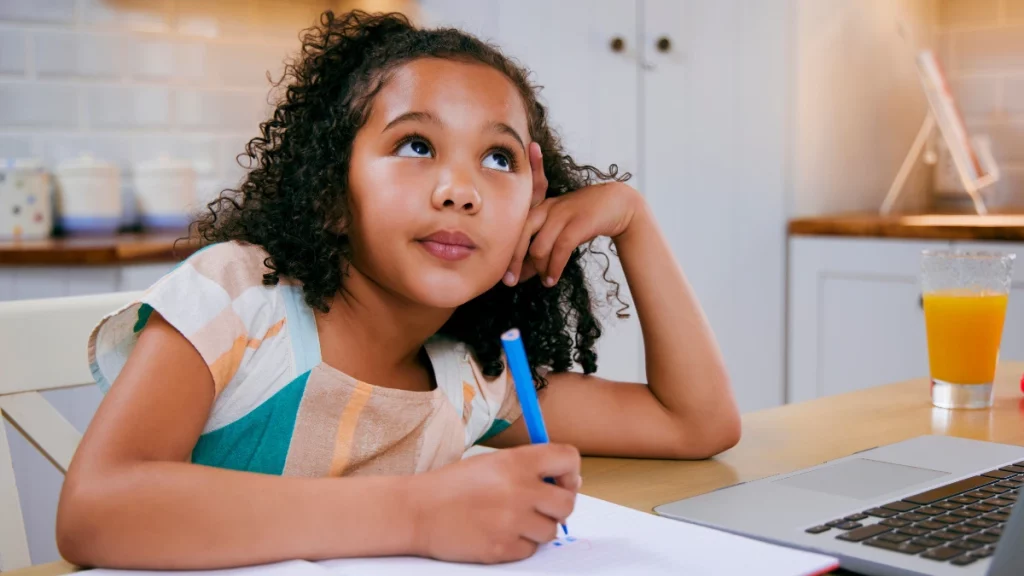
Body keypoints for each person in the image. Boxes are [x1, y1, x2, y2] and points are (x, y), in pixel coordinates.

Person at [56, 10, 740, 570]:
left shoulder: (471, 378)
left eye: (499, 159)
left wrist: (632, 219)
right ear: (330, 190)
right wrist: (420, 513)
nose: (459, 190)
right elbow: (94, 508)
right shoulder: (239, 300)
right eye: (416, 145)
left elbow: (696, 424)